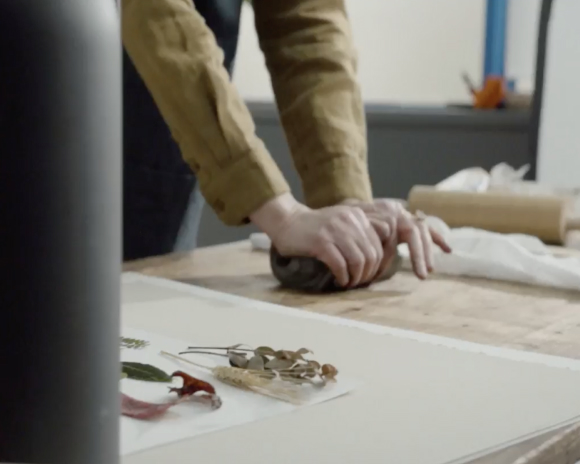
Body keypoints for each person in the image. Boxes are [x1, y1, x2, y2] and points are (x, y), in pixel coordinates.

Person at [121, 0, 451, 288]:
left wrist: (347, 200)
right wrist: (283, 215)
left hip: (159, 150)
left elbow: (304, 23)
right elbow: (155, 11)